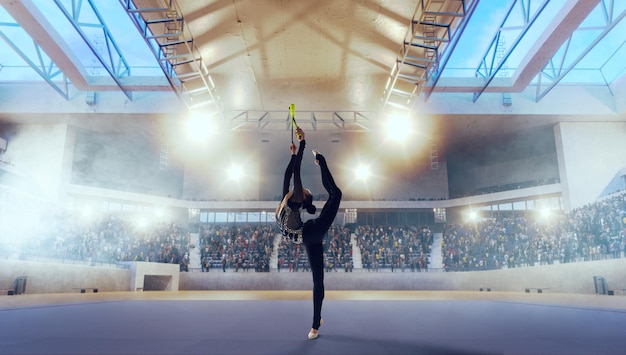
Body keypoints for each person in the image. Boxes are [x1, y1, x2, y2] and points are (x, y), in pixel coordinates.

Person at [276, 127, 343, 340]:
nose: (307, 189)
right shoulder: (293, 197)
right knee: (336, 193)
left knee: (318, 281)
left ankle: (315, 326)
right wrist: (301, 145)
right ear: (303, 195)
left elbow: (290, 173)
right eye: (308, 190)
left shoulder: (290, 199)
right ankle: (321, 160)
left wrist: (295, 153)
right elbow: (293, 173)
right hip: (310, 233)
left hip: (308, 236)